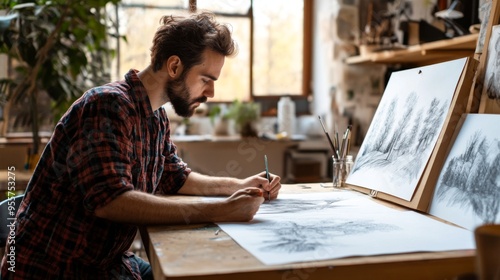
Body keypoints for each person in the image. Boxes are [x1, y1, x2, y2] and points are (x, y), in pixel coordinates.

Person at [0, 12, 281, 279]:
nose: (210, 92)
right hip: (57, 268)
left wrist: (239, 185)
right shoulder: (107, 105)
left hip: (108, 262)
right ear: (174, 66)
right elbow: (110, 201)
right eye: (206, 80)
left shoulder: (155, 115)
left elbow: (177, 178)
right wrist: (220, 211)